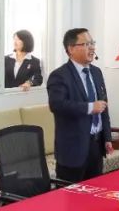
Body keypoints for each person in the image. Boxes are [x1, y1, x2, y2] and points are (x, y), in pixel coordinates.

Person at [47, 28, 113, 182]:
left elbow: (103, 106)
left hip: (96, 146)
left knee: (95, 192)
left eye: (92, 43)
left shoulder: (96, 72)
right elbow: (57, 105)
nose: (92, 48)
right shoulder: (59, 75)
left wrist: (107, 137)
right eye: (86, 44)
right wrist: (90, 107)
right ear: (71, 49)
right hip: (73, 150)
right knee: (71, 194)